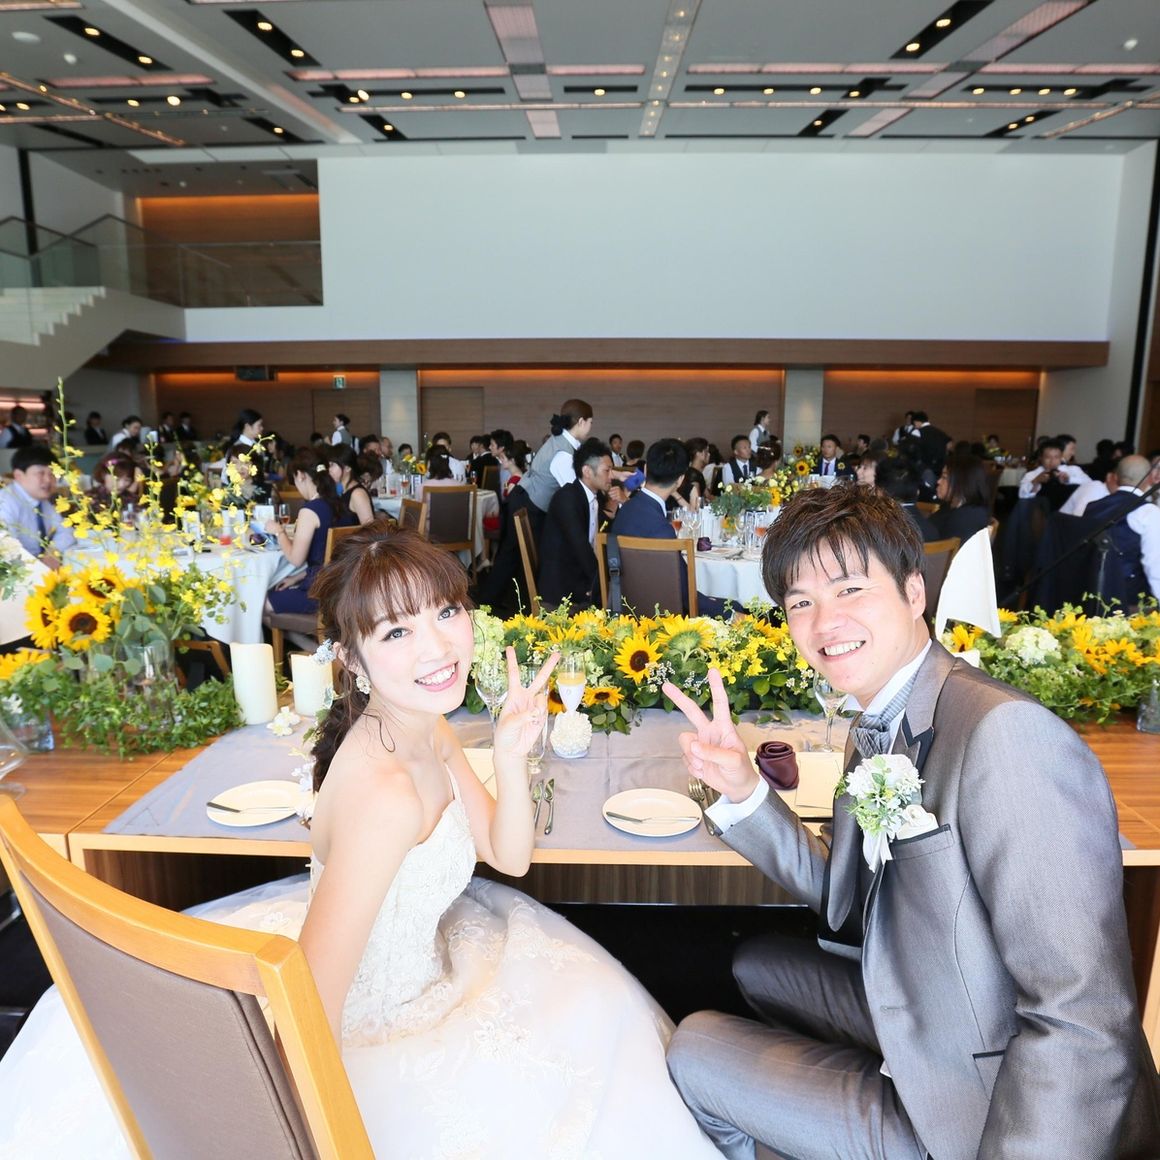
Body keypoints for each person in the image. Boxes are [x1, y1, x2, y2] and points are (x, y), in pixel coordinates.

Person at [663, 484, 1160, 1160]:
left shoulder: (1005, 736)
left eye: (849, 589)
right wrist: (745, 791)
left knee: (693, 1047)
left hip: (983, 1107)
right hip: (930, 1009)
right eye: (800, 603)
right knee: (755, 963)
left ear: (914, 590)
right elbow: (846, 898)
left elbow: (1082, 1018)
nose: (824, 621)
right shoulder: (881, 720)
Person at [478, 399, 594, 610]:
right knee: (512, 554)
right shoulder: (563, 452)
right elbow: (574, 491)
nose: (591, 427)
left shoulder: (562, 442)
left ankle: (499, 600)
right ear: (581, 421)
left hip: (525, 498)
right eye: (590, 422)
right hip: (529, 504)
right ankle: (488, 603)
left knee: (512, 554)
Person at [611, 439, 728, 617]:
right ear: (680, 480)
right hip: (660, 618)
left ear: (645, 470)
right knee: (736, 606)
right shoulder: (662, 530)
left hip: (624, 610)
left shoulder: (625, 509)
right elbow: (684, 594)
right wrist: (732, 614)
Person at [263, 449, 343, 615]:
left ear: (300, 475)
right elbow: (327, 558)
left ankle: (300, 632)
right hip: (341, 588)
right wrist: (295, 578)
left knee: (260, 605)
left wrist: (279, 531)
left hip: (318, 594)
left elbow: (296, 559)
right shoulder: (339, 504)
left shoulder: (310, 510)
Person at [537, 437, 611, 609]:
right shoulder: (567, 498)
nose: (611, 476)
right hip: (562, 586)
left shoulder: (593, 496)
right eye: (607, 470)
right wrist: (601, 583)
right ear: (587, 471)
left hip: (578, 572)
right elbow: (580, 546)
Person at [0, 444, 76, 568]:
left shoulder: (41, 501)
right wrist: (37, 567)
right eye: (40, 473)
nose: (48, 480)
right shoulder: (5, 503)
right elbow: (5, 550)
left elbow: (66, 531)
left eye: (52, 474)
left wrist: (53, 550)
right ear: (18, 475)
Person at [931, 452, 993, 543]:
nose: (938, 481)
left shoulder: (964, 519)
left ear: (961, 482)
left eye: (944, 477)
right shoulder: (956, 507)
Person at [326, 444, 374, 526]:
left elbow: (370, 529)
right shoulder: (340, 490)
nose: (329, 470)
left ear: (347, 468)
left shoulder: (358, 494)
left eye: (332, 465)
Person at [677, 437, 711, 509]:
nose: (709, 454)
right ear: (699, 454)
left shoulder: (696, 473)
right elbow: (696, 503)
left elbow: (707, 495)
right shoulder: (693, 475)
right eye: (707, 451)